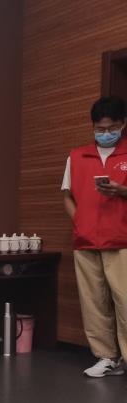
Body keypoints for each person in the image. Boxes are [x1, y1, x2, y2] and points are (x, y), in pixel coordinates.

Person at [61, 95, 127, 378]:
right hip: (86, 240)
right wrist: (79, 221)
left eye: (111, 127)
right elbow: (67, 195)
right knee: (93, 302)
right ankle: (106, 357)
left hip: (122, 239)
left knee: (125, 300)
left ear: (123, 124)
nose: (105, 133)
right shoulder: (77, 156)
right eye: (100, 128)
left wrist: (122, 191)